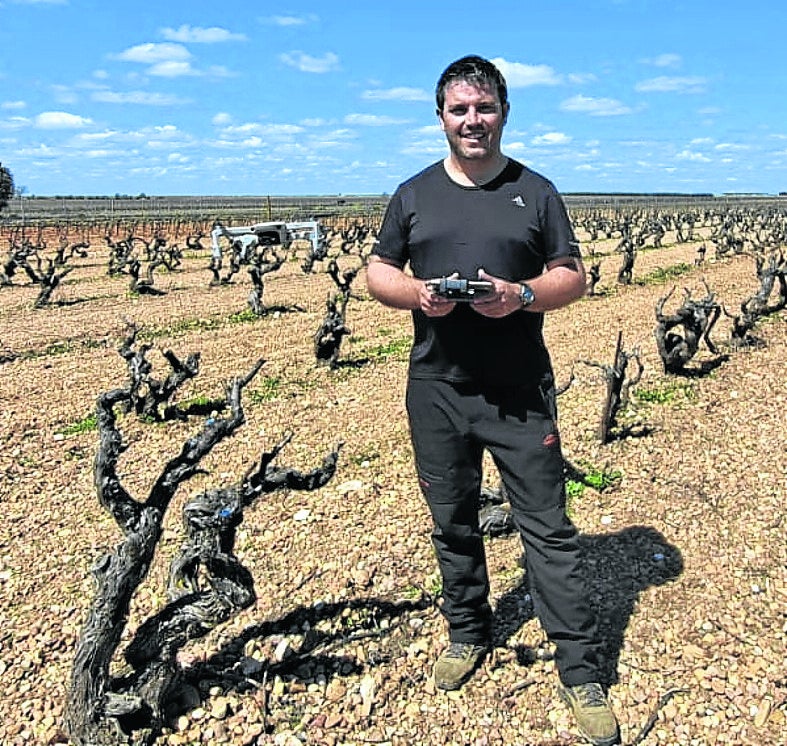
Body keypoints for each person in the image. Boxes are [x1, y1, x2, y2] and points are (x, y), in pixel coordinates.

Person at [366, 55, 619, 746]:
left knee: (547, 530)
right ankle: (466, 633)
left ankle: (579, 669)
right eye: (459, 109)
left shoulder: (533, 191)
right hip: (436, 388)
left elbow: (573, 273)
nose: (471, 121)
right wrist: (417, 294)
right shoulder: (412, 193)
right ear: (440, 116)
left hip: (518, 393)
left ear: (503, 112)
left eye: (483, 108)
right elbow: (377, 270)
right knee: (450, 520)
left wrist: (522, 296)